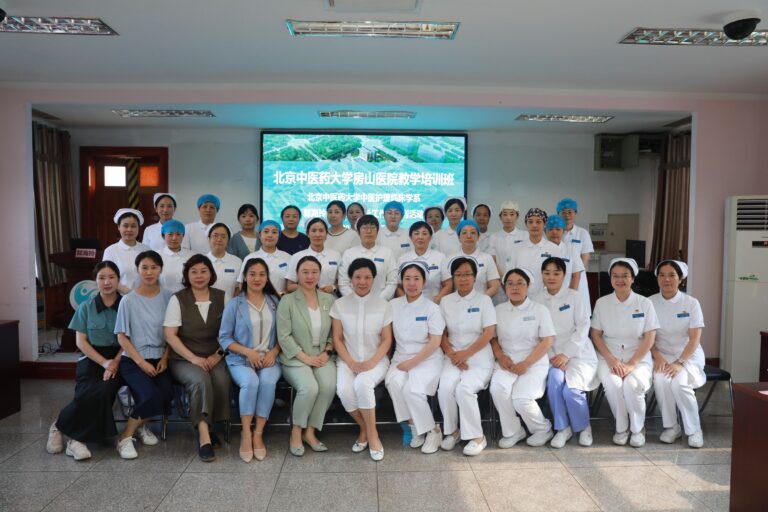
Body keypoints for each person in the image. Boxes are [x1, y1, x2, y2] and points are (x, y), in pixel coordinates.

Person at [46, 261, 124, 461]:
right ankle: (71, 436)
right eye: (101, 278)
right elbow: (81, 342)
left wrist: (113, 362)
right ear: (95, 281)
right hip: (91, 356)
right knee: (86, 389)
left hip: (120, 356)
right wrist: (104, 363)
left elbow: (129, 340)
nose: (107, 282)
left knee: (106, 389)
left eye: (111, 277)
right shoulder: (86, 307)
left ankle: (66, 430)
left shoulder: (126, 305)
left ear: (118, 279)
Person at [164, 255, 231, 462]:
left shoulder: (223, 297)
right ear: (187, 275)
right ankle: (204, 436)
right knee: (200, 379)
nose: (199, 276)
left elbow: (231, 333)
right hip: (184, 358)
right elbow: (170, 335)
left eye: (203, 271)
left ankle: (211, 425)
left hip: (216, 355)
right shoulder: (178, 299)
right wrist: (193, 358)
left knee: (221, 379)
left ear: (211, 273)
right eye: (194, 272)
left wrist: (217, 355)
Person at [591, 258, 659, 447]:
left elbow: (649, 337)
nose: (620, 280)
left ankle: (638, 428)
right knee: (613, 384)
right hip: (608, 355)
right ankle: (622, 427)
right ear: (610, 279)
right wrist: (611, 360)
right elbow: (596, 335)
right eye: (615, 276)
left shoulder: (645, 303)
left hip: (637, 356)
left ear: (633, 278)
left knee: (632, 385)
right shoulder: (602, 303)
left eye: (625, 276)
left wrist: (632, 364)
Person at [114, 250, 175, 459]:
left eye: (154, 267)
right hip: (133, 359)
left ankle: (141, 425)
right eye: (144, 268)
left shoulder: (169, 298)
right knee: (150, 395)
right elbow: (121, 337)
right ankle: (125, 437)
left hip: (160, 358)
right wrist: (141, 363)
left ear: (161, 269)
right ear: (137, 270)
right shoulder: (128, 300)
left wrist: (166, 358)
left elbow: (174, 333)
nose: (149, 272)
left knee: (167, 395)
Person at [219, 258, 282, 462]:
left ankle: (258, 433)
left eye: (262, 274)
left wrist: (274, 352)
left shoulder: (275, 302)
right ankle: (246, 433)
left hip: (271, 358)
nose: (257, 278)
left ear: (267, 277)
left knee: (267, 381)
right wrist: (249, 352)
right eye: (252, 274)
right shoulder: (235, 304)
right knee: (251, 381)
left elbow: (285, 334)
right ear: (244, 277)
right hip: (241, 359)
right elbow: (224, 338)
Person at [331, 258, 393, 461]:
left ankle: (372, 436)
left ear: (374, 279)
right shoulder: (340, 304)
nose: (362, 281)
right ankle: (365, 428)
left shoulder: (383, 305)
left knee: (362, 383)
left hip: (376, 360)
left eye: (367, 277)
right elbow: (337, 338)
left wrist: (371, 362)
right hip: (347, 359)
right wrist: (350, 362)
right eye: (357, 277)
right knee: (343, 389)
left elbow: (386, 340)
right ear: (350, 279)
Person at [276, 256, 336, 457]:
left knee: (328, 385)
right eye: (305, 272)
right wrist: (305, 358)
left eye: (314, 272)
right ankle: (296, 431)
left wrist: (327, 352)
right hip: (295, 357)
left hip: (322, 356)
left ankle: (310, 432)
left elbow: (335, 333)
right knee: (309, 387)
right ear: (297, 275)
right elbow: (283, 336)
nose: (310, 277)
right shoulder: (287, 300)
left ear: (320, 274)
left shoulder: (329, 299)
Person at [536, 257, 598, 448]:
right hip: (552, 355)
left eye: (556, 273)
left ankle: (583, 426)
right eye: (547, 273)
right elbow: (537, 333)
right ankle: (562, 428)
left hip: (578, 353)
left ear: (564, 275)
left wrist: (567, 354)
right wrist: (553, 357)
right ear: (542, 275)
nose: (551, 277)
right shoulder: (536, 300)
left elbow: (582, 327)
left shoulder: (575, 297)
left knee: (571, 391)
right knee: (554, 382)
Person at [438, 257, 497, 456]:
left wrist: (467, 354)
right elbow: (441, 333)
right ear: (453, 278)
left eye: (467, 274)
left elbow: (488, 332)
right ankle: (453, 432)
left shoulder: (484, 300)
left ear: (474, 277)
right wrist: (452, 354)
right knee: (445, 388)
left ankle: (477, 437)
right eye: (459, 275)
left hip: (479, 356)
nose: (463, 279)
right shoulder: (446, 301)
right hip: (453, 355)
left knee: (464, 389)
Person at [490, 268, 556, 448]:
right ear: (504, 288)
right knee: (498, 389)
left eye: (520, 283)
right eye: (510, 283)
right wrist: (500, 357)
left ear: (528, 287)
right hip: (507, 361)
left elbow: (547, 339)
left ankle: (543, 429)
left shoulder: (540, 310)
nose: (515, 287)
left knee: (521, 398)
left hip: (533, 361)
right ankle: (513, 430)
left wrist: (527, 363)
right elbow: (492, 337)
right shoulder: (498, 310)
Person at [385, 261, 445, 454]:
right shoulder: (393, 305)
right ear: (401, 282)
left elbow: (435, 342)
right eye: (407, 279)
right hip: (401, 357)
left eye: (416, 279)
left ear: (424, 282)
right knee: (393, 383)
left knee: (412, 390)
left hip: (428, 358)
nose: (411, 283)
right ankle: (415, 426)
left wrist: (413, 363)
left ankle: (433, 430)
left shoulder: (432, 308)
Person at [650, 260, 706, 448]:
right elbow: (646, 337)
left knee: (680, 383)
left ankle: (694, 430)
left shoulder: (691, 303)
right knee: (660, 379)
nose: (666, 279)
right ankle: (671, 427)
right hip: (662, 354)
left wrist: (680, 362)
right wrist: (657, 357)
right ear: (657, 278)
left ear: (680, 279)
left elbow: (694, 338)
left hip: (688, 355)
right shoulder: (650, 303)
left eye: (672, 275)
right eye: (662, 275)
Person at [503, 208, 561, 299]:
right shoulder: (515, 248)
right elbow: (509, 276)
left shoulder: (554, 249)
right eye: (530, 222)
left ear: (545, 224)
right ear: (526, 224)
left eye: (538, 222)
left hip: (547, 299)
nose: (534, 225)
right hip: (520, 299)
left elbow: (558, 277)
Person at [338, 215, 397, 300]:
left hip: (380, 303)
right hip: (353, 303)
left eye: (372, 228)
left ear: (377, 232)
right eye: (365, 228)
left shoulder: (387, 252)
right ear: (358, 232)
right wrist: (356, 300)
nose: (369, 231)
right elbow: (343, 283)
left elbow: (392, 282)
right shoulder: (349, 253)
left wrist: (379, 300)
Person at [442, 220, 500, 299]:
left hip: (480, 305)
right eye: (464, 233)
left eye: (473, 233)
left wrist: (480, 301)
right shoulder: (449, 259)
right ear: (459, 237)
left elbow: (494, 286)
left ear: (478, 237)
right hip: (455, 305)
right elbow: (448, 287)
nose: (468, 236)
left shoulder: (487, 258)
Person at [396, 221, 450, 303]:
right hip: (408, 306)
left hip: (434, 305)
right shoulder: (402, 259)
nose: (420, 237)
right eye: (416, 233)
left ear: (430, 237)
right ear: (411, 237)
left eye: (424, 234)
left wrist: (437, 301)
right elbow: (398, 286)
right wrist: (406, 302)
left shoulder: (440, 257)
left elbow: (448, 284)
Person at [285, 217, 341, 295]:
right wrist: (310, 289)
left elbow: (342, 282)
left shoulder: (336, 255)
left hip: (330, 300)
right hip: (304, 301)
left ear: (326, 234)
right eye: (314, 231)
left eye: (321, 231)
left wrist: (332, 287)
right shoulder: (297, 256)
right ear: (307, 233)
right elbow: (290, 286)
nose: (317, 234)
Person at [557, 198, 594, 310]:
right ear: (558, 214)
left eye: (570, 212)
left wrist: (574, 273)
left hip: (578, 276)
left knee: (579, 309)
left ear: (575, 213)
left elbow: (585, 257)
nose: (567, 215)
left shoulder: (582, 233)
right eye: (563, 212)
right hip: (558, 277)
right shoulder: (555, 232)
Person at [238, 220, 291, 296]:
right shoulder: (250, 258)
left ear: (279, 236)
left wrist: (283, 295)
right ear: (259, 235)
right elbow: (241, 283)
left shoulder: (288, 257)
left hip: (282, 301)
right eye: (266, 232)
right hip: (256, 302)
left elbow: (292, 283)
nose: (270, 235)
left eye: (274, 232)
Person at [102, 208, 149, 294]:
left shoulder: (146, 250)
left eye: (133, 226)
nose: (129, 229)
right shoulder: (111, 251)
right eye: (125, 226)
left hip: (145, 297)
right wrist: (130, 293)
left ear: (138, 228)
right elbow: (108, 277)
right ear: (118, 227)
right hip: (120, 298)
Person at [488, 201, 527, 289]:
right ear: (500, 217)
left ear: (517, 216)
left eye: (512, 214)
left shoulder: (525, 236)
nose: (508, 218)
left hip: (520, 281)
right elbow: (492, 260)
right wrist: (503, 279)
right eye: (505, 214)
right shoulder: (494, 237)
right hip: (500, 282)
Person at [544, 215, 585, 292]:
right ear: (545, 231)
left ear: (563, 231)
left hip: (565, 294)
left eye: (558, 229)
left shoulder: (571, 249)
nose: (554, 232)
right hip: (543, 296)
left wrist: (570, 295)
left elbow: (576, 275)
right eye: (550, 229)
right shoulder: (540, 249)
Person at [206, 222, 242, 303]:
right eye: (215, 235)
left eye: (223, 236)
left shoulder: (237, 262)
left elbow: (238, 288)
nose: (219, 239)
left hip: (228, 308)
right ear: (209, 238)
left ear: (228, 240)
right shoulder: (201, 260)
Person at [158, 220, 193, 293]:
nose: (174, 238)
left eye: (178, 234)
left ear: (183, 236)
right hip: (162, 299)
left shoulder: (192, 256)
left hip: (186, 299)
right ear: (163, 236)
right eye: (170, 234)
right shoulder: (156, 256)